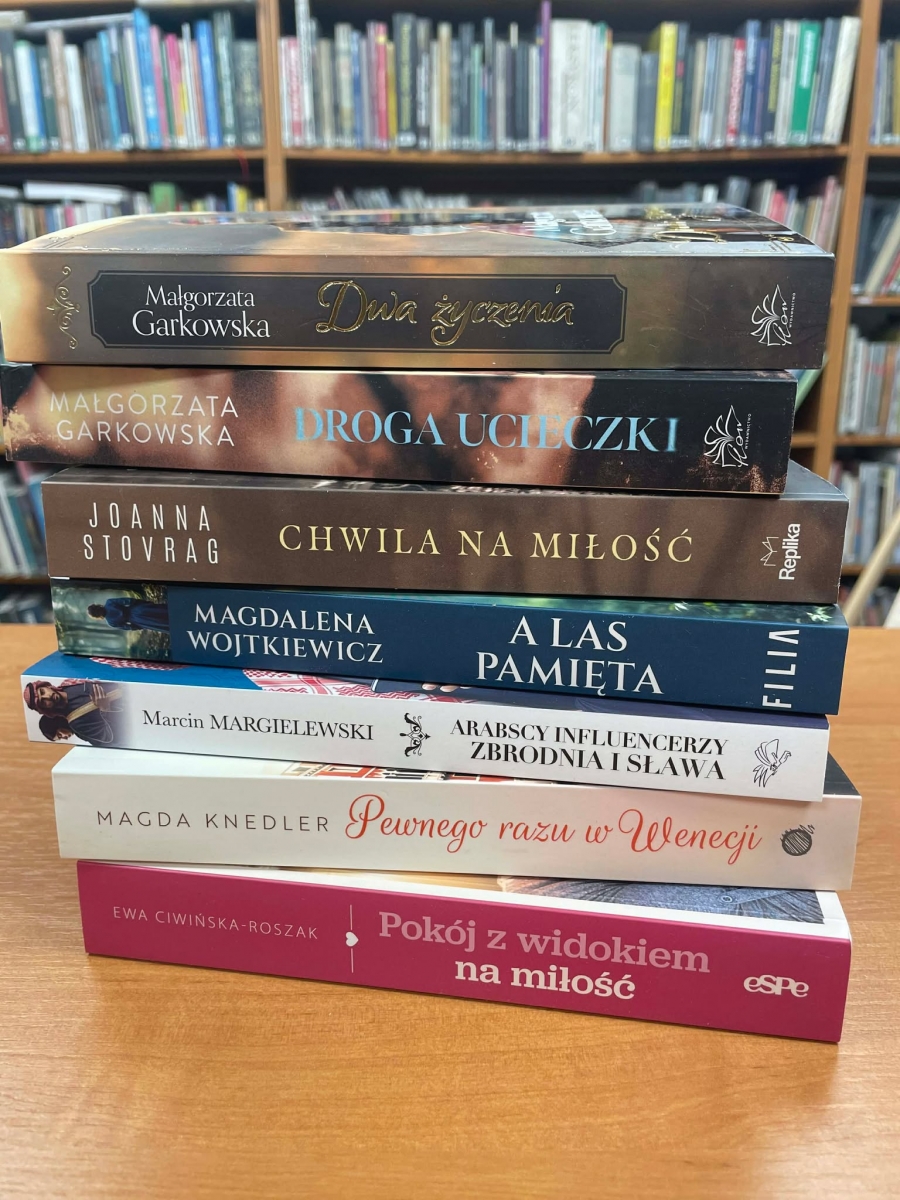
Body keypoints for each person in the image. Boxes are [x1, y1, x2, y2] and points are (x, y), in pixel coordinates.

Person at [23, 679, 123, 746]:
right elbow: (112, 740)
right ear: (45, 709)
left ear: (46, 686)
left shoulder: (70, 682)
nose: (47, 696)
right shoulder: (77, 723)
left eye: (43, 692)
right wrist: (104, 709)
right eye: (43, 702)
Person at [87, 597, 169, 632]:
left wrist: (141, 625)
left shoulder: (111, 622)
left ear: (97, 616)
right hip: (138, 609)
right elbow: (128, 601)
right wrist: (143, 603)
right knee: (164, 611)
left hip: (139, 621)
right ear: (97, 606)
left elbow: (129, 627)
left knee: (162, 624)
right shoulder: (109, 602)